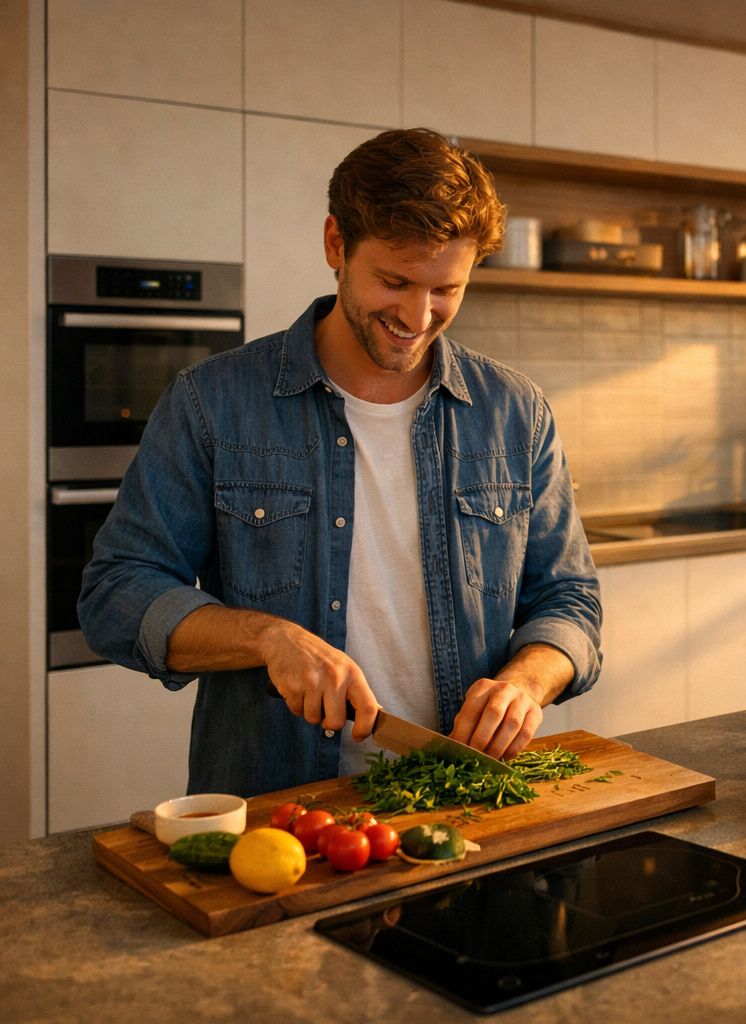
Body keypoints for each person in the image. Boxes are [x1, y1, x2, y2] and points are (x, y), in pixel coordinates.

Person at [78, 128, 602, 797]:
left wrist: (526, 682)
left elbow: (569, 599)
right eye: (395, 281)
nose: (418, 315)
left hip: (461, 799)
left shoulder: (515, 412)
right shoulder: (212, 402)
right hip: (283, 811)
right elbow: (116, 593)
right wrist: (267, 638)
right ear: (336, 244)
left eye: (447, 289)